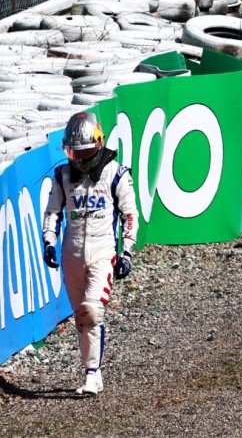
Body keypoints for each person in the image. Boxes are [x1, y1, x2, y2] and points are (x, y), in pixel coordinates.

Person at [42, 112, 138, 396]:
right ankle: (90, 371)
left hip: (102, 251)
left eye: (83, 150)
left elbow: (130, 214)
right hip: (70, 255)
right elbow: (52, 213)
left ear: (97, 144)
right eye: (73, 151)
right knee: (80, 316)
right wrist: (49, 243)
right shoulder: (62, 176)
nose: (79, 158)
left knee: (92, 311)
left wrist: (127, 252)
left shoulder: (117, 173)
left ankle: (93, 374)